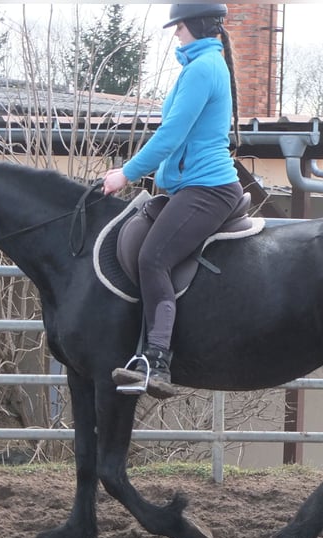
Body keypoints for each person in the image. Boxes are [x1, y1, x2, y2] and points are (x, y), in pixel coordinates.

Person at [104, 3, 242, 398]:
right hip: (188, 187)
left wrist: (125, 174)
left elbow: (170, 136)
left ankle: (158, 361)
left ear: (193, 25)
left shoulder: (202, 69)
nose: (174, 33)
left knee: (153, 258)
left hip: (208, 189)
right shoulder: (197, 66)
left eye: (177, 26)